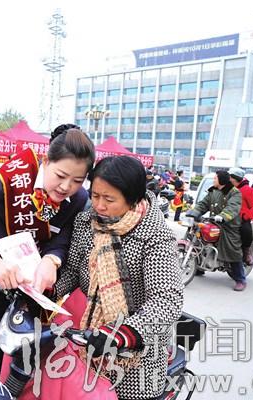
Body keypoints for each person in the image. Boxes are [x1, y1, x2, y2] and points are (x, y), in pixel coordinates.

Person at [0, 127, 95, 376]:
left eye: (77, 180)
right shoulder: (14, 175)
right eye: (61, 175)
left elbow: (62, 237)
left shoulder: (78, 199)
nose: (66, 187)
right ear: (46, 161)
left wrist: (52, 260)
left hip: (34, 287)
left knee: (26, 362)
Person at [48, 156, 183, 400]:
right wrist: (49, 291)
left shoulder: (155, 236)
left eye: (109, 199)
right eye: (95, 195)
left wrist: (121, 333)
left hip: (138, 356)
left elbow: (166, 301)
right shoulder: (86, 222)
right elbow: (73, 271)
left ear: (133, 199)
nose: (99, 206)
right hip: (92, 341)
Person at [187, 170, 246, 291]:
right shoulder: (213, 191)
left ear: (221, 180)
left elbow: (232, 207)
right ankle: (198, 267)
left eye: (215, 178)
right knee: (197, 236)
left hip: (229, 225)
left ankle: (240, 279)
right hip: (214, 221)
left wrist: (223, 216)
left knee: (232, 249)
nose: (213, 180)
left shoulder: (234, 192)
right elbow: (203, 204)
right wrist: (194, 212)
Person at [229, 167, 253, 266]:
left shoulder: (247, 190)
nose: (229, 179)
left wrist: (246, 216)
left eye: (230, 177)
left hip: (243, 219)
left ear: (235, 178)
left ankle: (246, 251)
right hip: (229, 217)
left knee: (246, 230)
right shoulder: (230, 189)